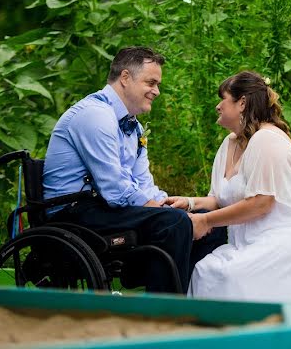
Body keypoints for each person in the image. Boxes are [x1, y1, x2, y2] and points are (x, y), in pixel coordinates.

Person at [167, 71, 291, 349]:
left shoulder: (267, 139)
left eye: (223, 99)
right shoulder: (229, 143)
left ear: (242, 103)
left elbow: (261, 202)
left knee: (232, 276)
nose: (218, 106)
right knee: (206, 270)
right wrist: (188, 202)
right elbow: (220, 198)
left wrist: (206, 221)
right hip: (254, 236)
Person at [43, 46, 226, 294]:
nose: (157, 91)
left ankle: (188, 297)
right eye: (151, 82)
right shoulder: (95, 115)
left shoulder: (134, 127)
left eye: (158, 84)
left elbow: (141, 182)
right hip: (72, 211)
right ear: (126, 77)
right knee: (174, 223)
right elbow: (115, 189)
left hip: (102, 206)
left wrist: (166, 203)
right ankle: (162, 313)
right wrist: (163, 211)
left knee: (210, 222)